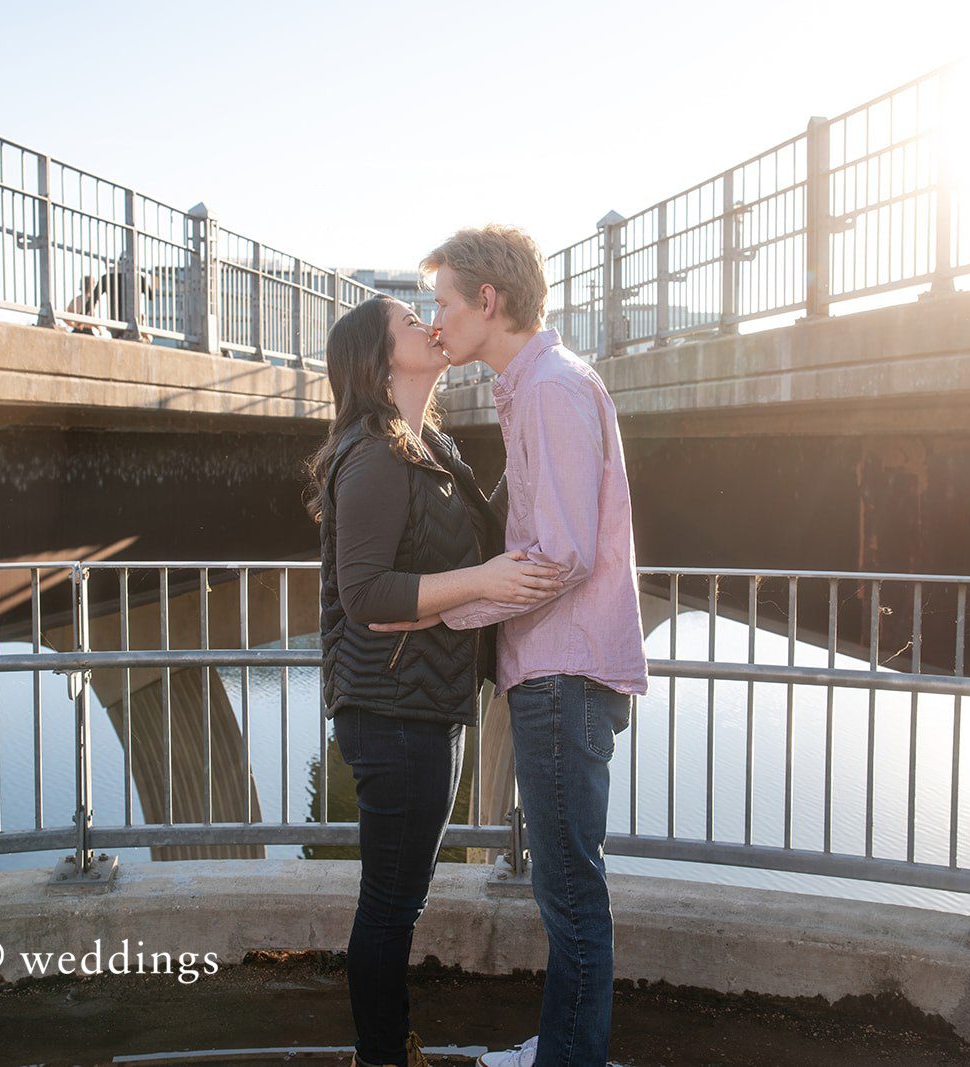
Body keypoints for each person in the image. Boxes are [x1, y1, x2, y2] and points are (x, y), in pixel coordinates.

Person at [373, 226, 648, 1067]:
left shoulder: (552, 391)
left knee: (568, 890)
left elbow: (559, 553)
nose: (435, 318)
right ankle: (565, 1048)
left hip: (560, 672)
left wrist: (441, 612)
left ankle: (570, 1061)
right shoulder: (537, 388)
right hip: (554, 670)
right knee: (565, 885)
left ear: (487, 302)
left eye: (443, 301)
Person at [305, 296, 563, 1067]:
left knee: (396, 898)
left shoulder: (429, 448)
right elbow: (368, 594)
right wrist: (481, 577)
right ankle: (382, 1055)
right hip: (391, 712)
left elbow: (489, 532)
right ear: (381, 362)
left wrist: (542, 423)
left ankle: (385, 1048)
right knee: (390, 903)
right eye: (408, 324)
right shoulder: (378, 455)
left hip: (421, 704)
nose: (428, 325)